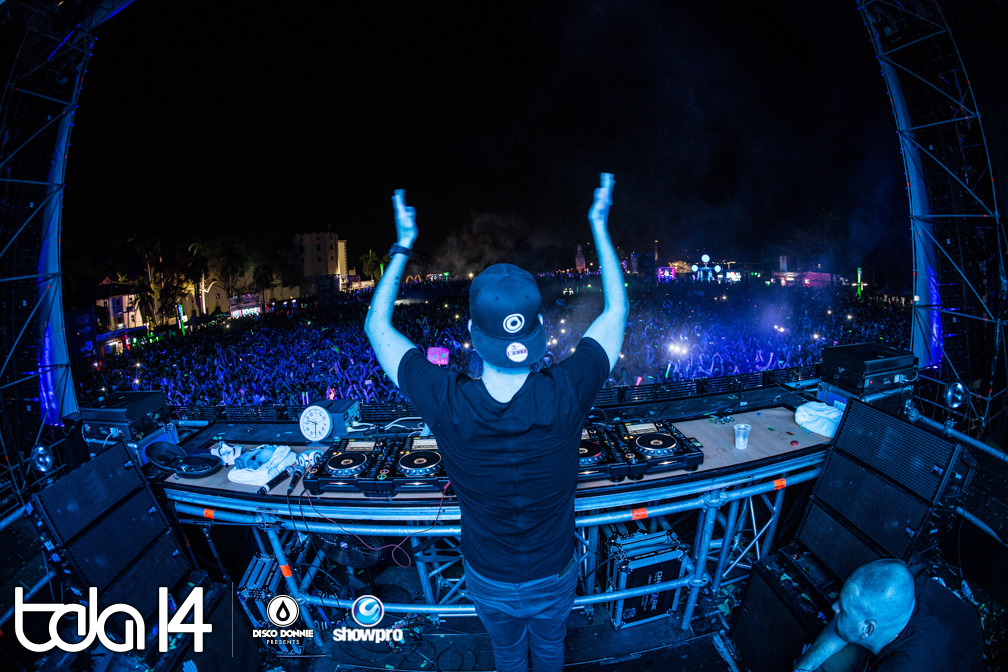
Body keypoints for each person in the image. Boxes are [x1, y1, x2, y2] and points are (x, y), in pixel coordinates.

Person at [364, 173, 628, 672]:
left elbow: (377, 327)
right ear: (539, 330)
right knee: (549, 649)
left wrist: (402, 245)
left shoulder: (447, 400)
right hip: (553, 571)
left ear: (471, 331)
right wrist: (599, 224)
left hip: (488, 575)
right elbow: (617, 310)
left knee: (507, 654)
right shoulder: (567, 390)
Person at [793, 558, 985, 672]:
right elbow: (843, 627)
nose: (834, 607)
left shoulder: (906, 666)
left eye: (842, 610)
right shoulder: (904, 584)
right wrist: (803, 668)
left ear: (868, 629)